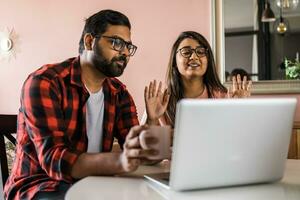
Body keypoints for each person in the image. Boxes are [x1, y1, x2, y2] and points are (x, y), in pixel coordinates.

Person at [4, 10, 157, 200]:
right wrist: (119, 161)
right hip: (39, 186)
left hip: (93, 183)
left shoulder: (119, 93)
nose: (125, 52)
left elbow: (137, 150)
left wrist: (156, 125)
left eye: (128, 46)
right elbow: (55, 160)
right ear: (89, 41)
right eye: (116, 43)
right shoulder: (45, 82)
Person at [144, 31, 252, 127]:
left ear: (208, 60)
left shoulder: (224, 99)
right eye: (186, 52)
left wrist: (240, 110)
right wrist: (151, 120)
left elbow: (237, 141)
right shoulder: (160, 102)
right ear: (174, 61)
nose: (194, 57)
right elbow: (147, 147)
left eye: (200, 52)